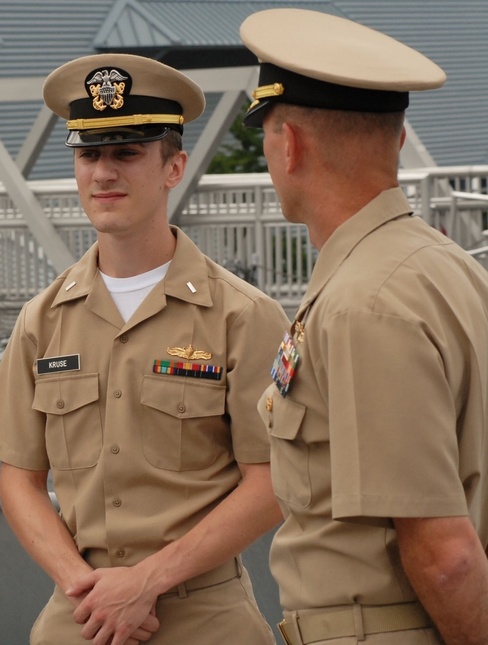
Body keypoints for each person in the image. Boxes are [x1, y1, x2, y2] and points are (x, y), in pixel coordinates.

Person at [0, 53, 290, 645]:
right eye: (89, 154)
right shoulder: (43, 320)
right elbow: (17, 479)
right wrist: (88, 587)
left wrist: (146, 581)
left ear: (174, 167)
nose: (103, 173)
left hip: (204, 617)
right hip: (82, 613)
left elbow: (272, 482)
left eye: (127, 153)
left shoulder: (242, 316)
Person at [241, 8, 488, 645]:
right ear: (400, 140)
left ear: (289, 144)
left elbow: (447, 557)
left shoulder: (361, 302)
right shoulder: (449, 267)